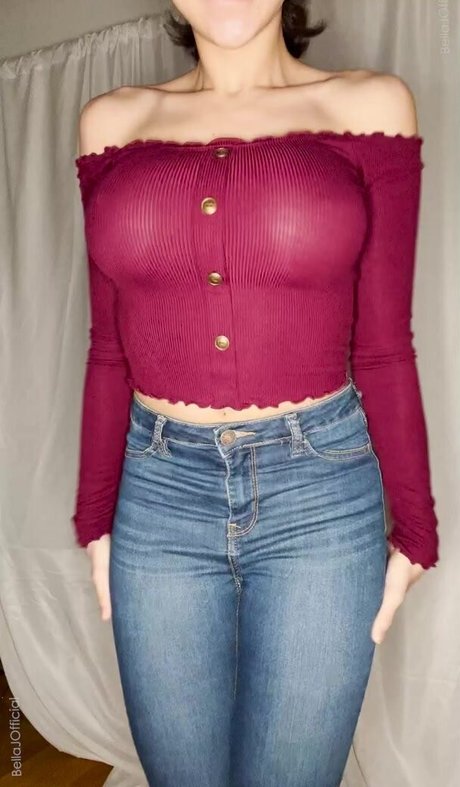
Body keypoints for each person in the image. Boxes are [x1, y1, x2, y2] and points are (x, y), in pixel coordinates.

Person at [71, 1, 439, 784]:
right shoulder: (111, 123)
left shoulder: (370, 106)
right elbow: (108, 350)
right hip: (156, 497)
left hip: (320, 495)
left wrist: (417, 531)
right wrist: (95, 520)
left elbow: (383, 347)